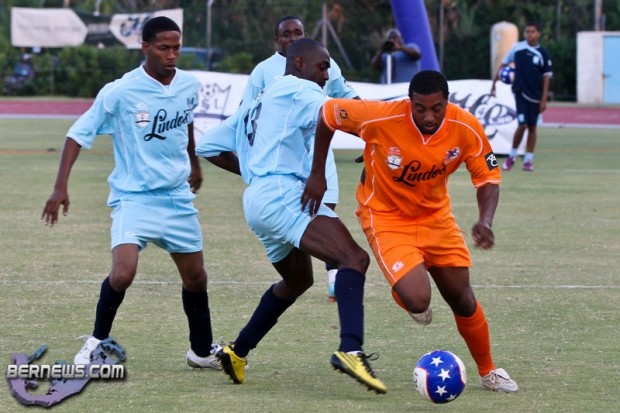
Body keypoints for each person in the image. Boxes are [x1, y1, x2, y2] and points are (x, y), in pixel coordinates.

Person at [304, 70, 519, 393]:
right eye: (420, 108)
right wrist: (317, 173)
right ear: (410, 102)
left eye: (436, 108)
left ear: (447, 102)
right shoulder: (380, 116)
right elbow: (328, 114)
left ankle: (489, 371)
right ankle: (408, 292)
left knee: (462, 297)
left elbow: (487, 178)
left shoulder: (465, 126)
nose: (428, 116)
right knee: (418, 300)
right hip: (386, 218)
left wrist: (485, 221)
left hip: (436, 217)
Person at [196, 38, 386, 394]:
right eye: (322, 66)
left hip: (258, 200)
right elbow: (333, 115)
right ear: (299, 63)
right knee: (354, 259)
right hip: (283, 194)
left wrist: (254, 172)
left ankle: (237, 352)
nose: (326, 75)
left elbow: (207, 145)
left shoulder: (260, 99)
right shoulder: (299, 89)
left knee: (298, 281)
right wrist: (319, 172)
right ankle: (351, 350)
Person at [41, 16, 220, 370]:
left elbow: (185, 123)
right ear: (145, 47)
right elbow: (77, 134)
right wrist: (60, 186)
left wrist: (194, 163)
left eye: (176, 48)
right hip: (134, 197)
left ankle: (201, 351)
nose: (171, 55)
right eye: (163, 48)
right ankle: (96, 344)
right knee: (123, 273)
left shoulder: (189, 84)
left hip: (177, 197)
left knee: (196, 277)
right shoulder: (120, 92)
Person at [238, 15, 361, 302]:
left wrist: (371, 132)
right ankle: (334, 269)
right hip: (281, 170)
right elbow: (246, 116)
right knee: (312, 231)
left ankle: (335, 276)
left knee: (325, 211)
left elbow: (347, 100)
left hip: (318, 155)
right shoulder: (263, 72)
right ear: (277, 40)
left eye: (298, 32)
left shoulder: (325, 62)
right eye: (286, 33)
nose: (292, 37)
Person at [490, 22, 552, 172]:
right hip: (520, 92)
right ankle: (511, 157)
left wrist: (544, 98)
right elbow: (503, 65)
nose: (529, 34)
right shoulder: (517, 48)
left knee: (532, 127)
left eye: (533, 31)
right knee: (522, 124)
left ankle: (528, 160)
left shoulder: (543, 53)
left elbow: (546, 77)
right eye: (527, 31)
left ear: (538, 34)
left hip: (536, 95)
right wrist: (494, 84)